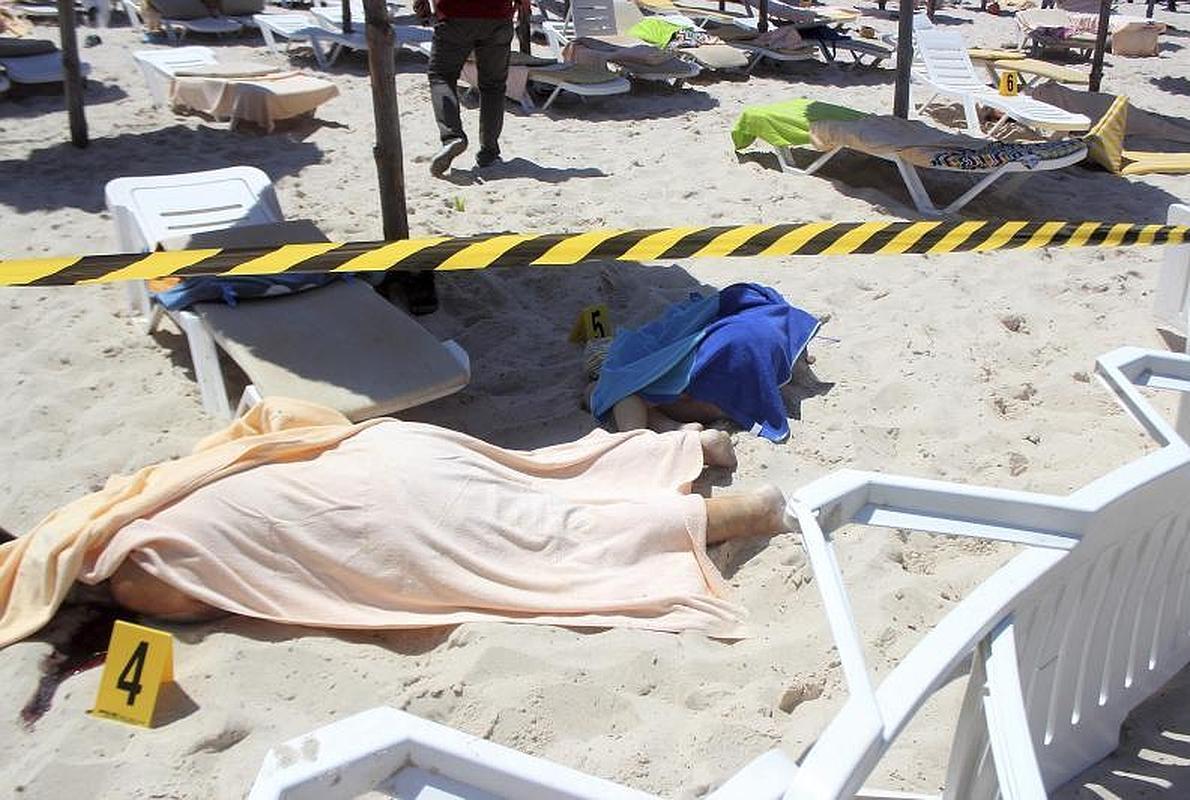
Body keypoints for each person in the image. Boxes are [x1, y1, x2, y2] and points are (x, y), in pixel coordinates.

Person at [0, 403, 787, 643]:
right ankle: (691, 445)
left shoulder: (135, 563)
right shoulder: (126, 499)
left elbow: (197, 601)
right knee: (542, 476)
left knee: (549, 542)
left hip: (380, 511)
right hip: (380, 449)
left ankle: (730, 512)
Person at [416, 0, 515, 175]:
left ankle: (452, 137)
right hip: (498, 15)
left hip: (455, 13)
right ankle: (489, 151)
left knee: (441, 76)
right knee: (494, 86)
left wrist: (422, 7)